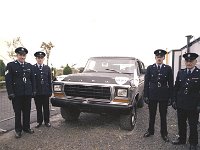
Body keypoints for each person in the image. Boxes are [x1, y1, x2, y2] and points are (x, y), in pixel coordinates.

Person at [143, 49, 173, 142]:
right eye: (157, 57)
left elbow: (171, 83)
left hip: (164, 95)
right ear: (155, 58)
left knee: (163, 115)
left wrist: (171, 97)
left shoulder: (168, 68)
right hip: (152, 95)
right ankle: (150, 131)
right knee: (152, 114)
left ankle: (164, 134)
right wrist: (146, 95)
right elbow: (146, 83)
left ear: (163, 58)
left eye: (161, 57)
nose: (159, 58)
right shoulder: (150, 68)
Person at [5, 47, 35, 138]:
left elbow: (32, 79)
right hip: (17, 95)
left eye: (24, 55)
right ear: (17, 55)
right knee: (18, 113)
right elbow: (8, 80)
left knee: (27, 112)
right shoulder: (11, 65)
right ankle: (18, 130)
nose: (22, 57)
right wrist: (10, 93)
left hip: (27, 94)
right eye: (20, 55)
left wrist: (33, 91)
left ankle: (26, 127)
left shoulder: (29, 66)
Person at [172, 52, 200, 150]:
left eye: (191, 61)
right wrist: (174, 100)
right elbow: (176, 88)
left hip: (193, 105)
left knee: (193, 125)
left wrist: (199, 105)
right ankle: (182, 139)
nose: (189, 63)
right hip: (181, 104)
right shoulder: (181, 72)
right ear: (185, 62)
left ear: (195, 61)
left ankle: (193, 143)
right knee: (181, 123)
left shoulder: (199, 73)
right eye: (187, 61)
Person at [33, 51, 52, 128]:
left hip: (45, 92)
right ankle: (39, 122)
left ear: (43, 59)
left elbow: (49, 80)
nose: (40, 59)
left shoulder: (47, 68)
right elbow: (32, 81)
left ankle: (47, 121)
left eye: (41, 58)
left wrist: (50, 91)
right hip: (37, 93)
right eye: (38, 58)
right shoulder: (33, 68)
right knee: (38, 108)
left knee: (46, 108)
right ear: (36, 59)